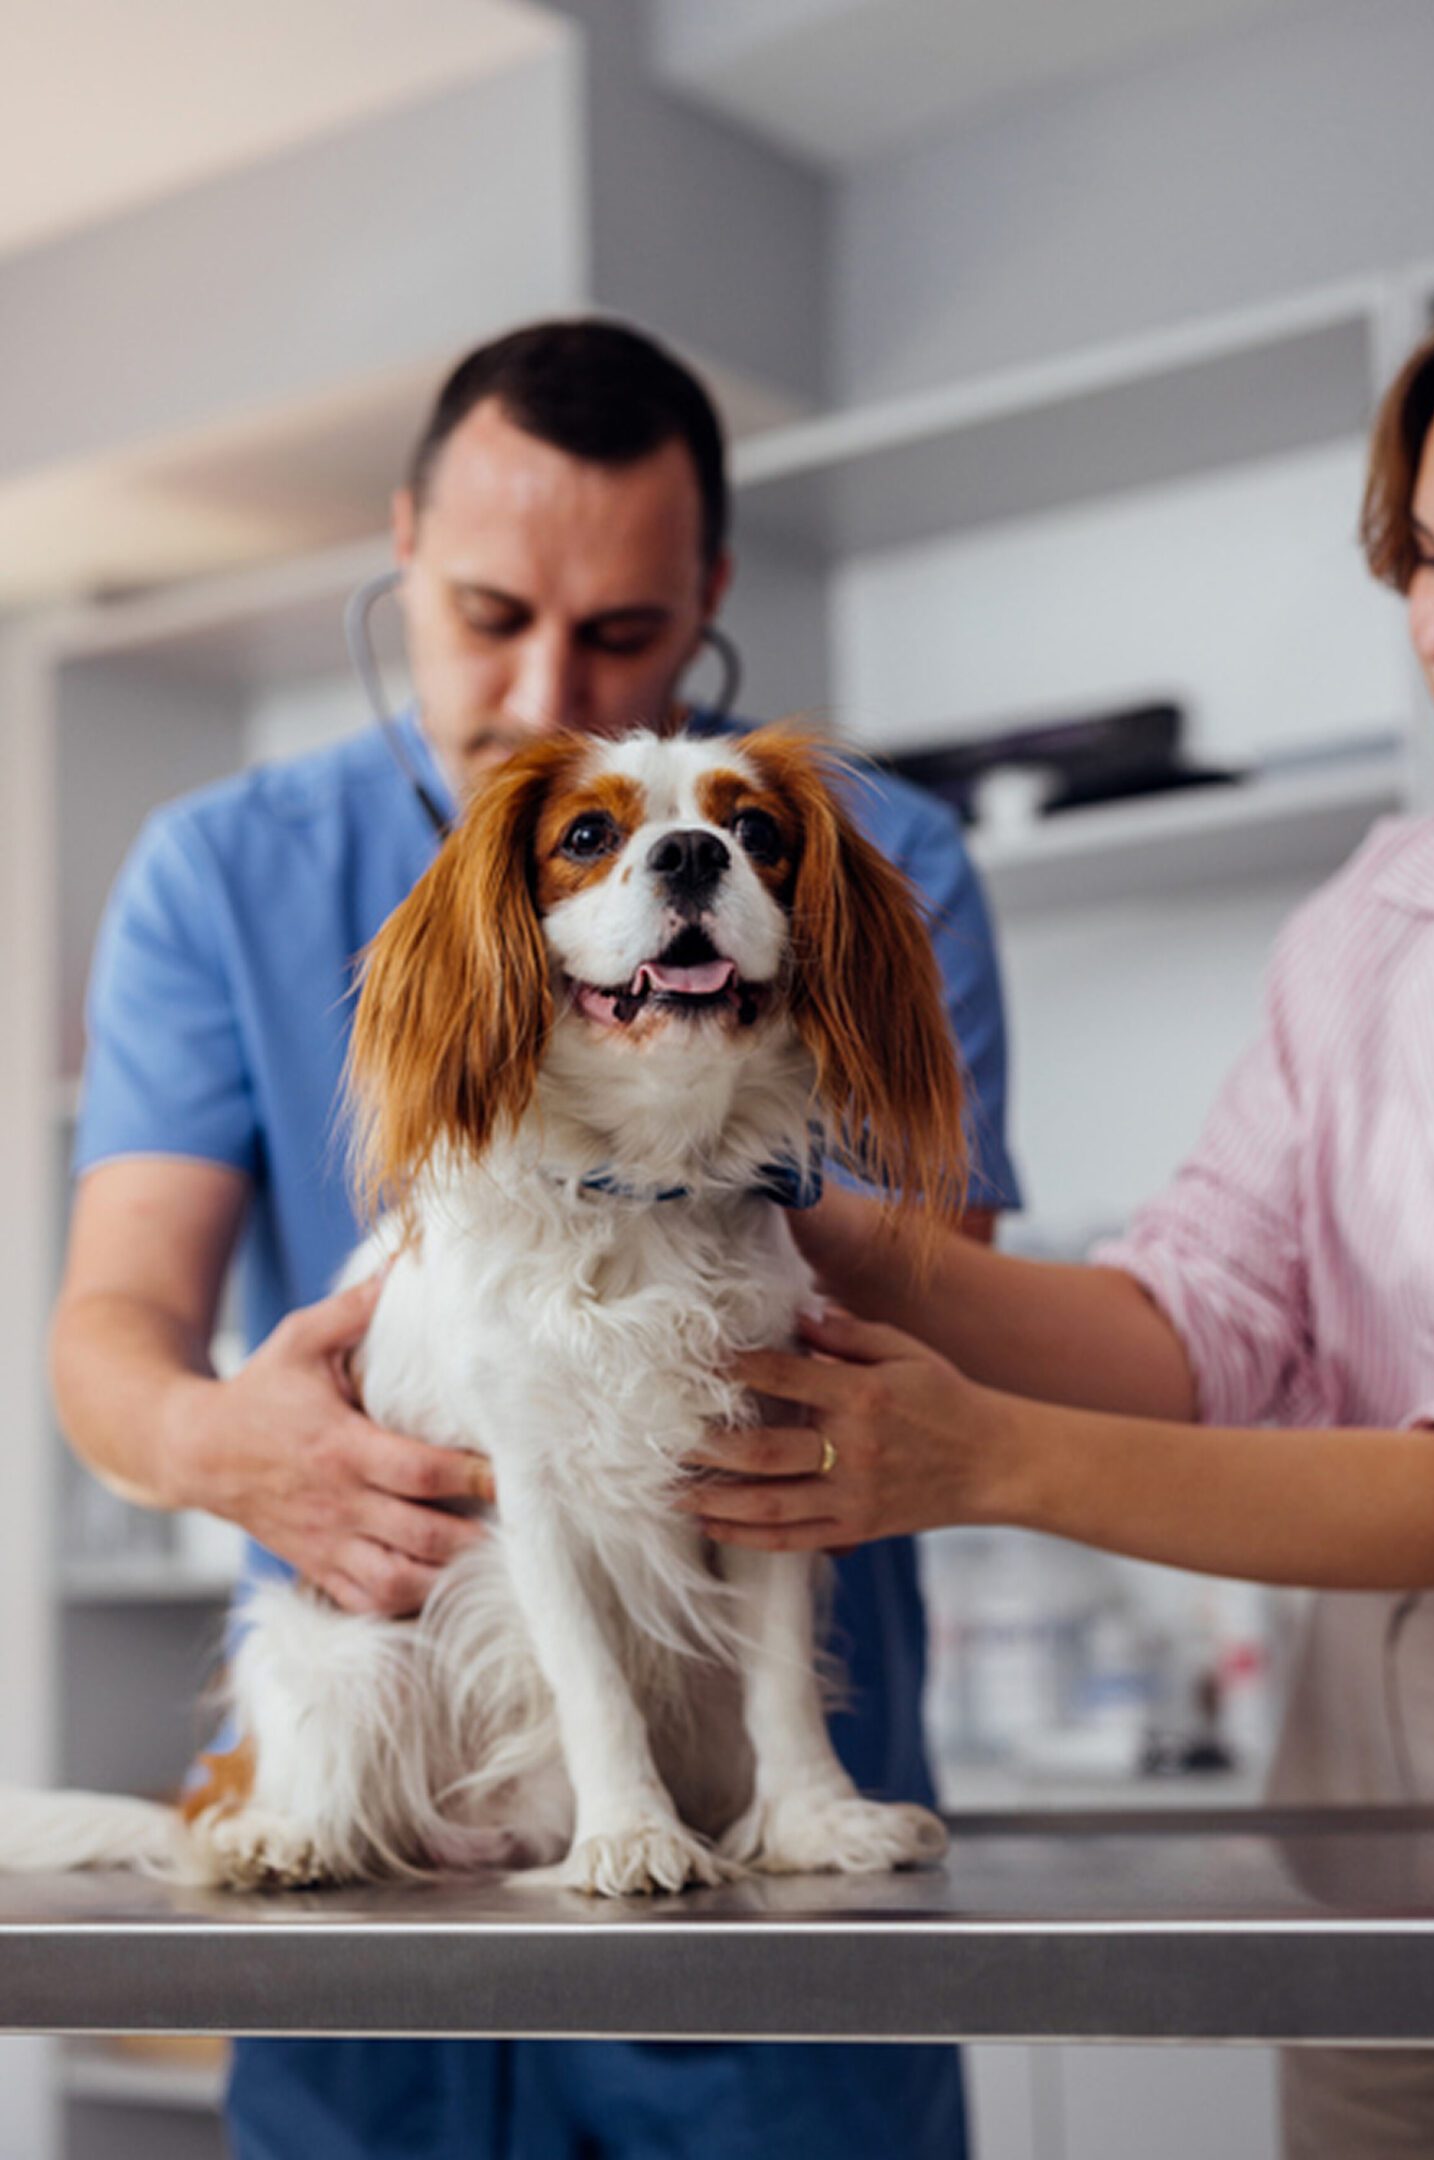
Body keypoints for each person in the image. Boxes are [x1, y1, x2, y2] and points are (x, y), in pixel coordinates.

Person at [51, 319, 1020, 2160]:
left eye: (625, 633)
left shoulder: (867, 858)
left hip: (759, 1804)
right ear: (401, 543)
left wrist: (686, 1131)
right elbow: (110, 1323)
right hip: (411, 1703)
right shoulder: (220, 865)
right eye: (489, 610)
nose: (542, 678)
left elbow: (903, 1284)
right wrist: (221, 1444)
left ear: (712, 592)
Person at [690, 276, 1434, 2160]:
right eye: (1421, 554)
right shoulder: (1381, 910)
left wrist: (989, 1459)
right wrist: (810, 1221)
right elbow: (1208, 1311)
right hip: (1369, 1841)